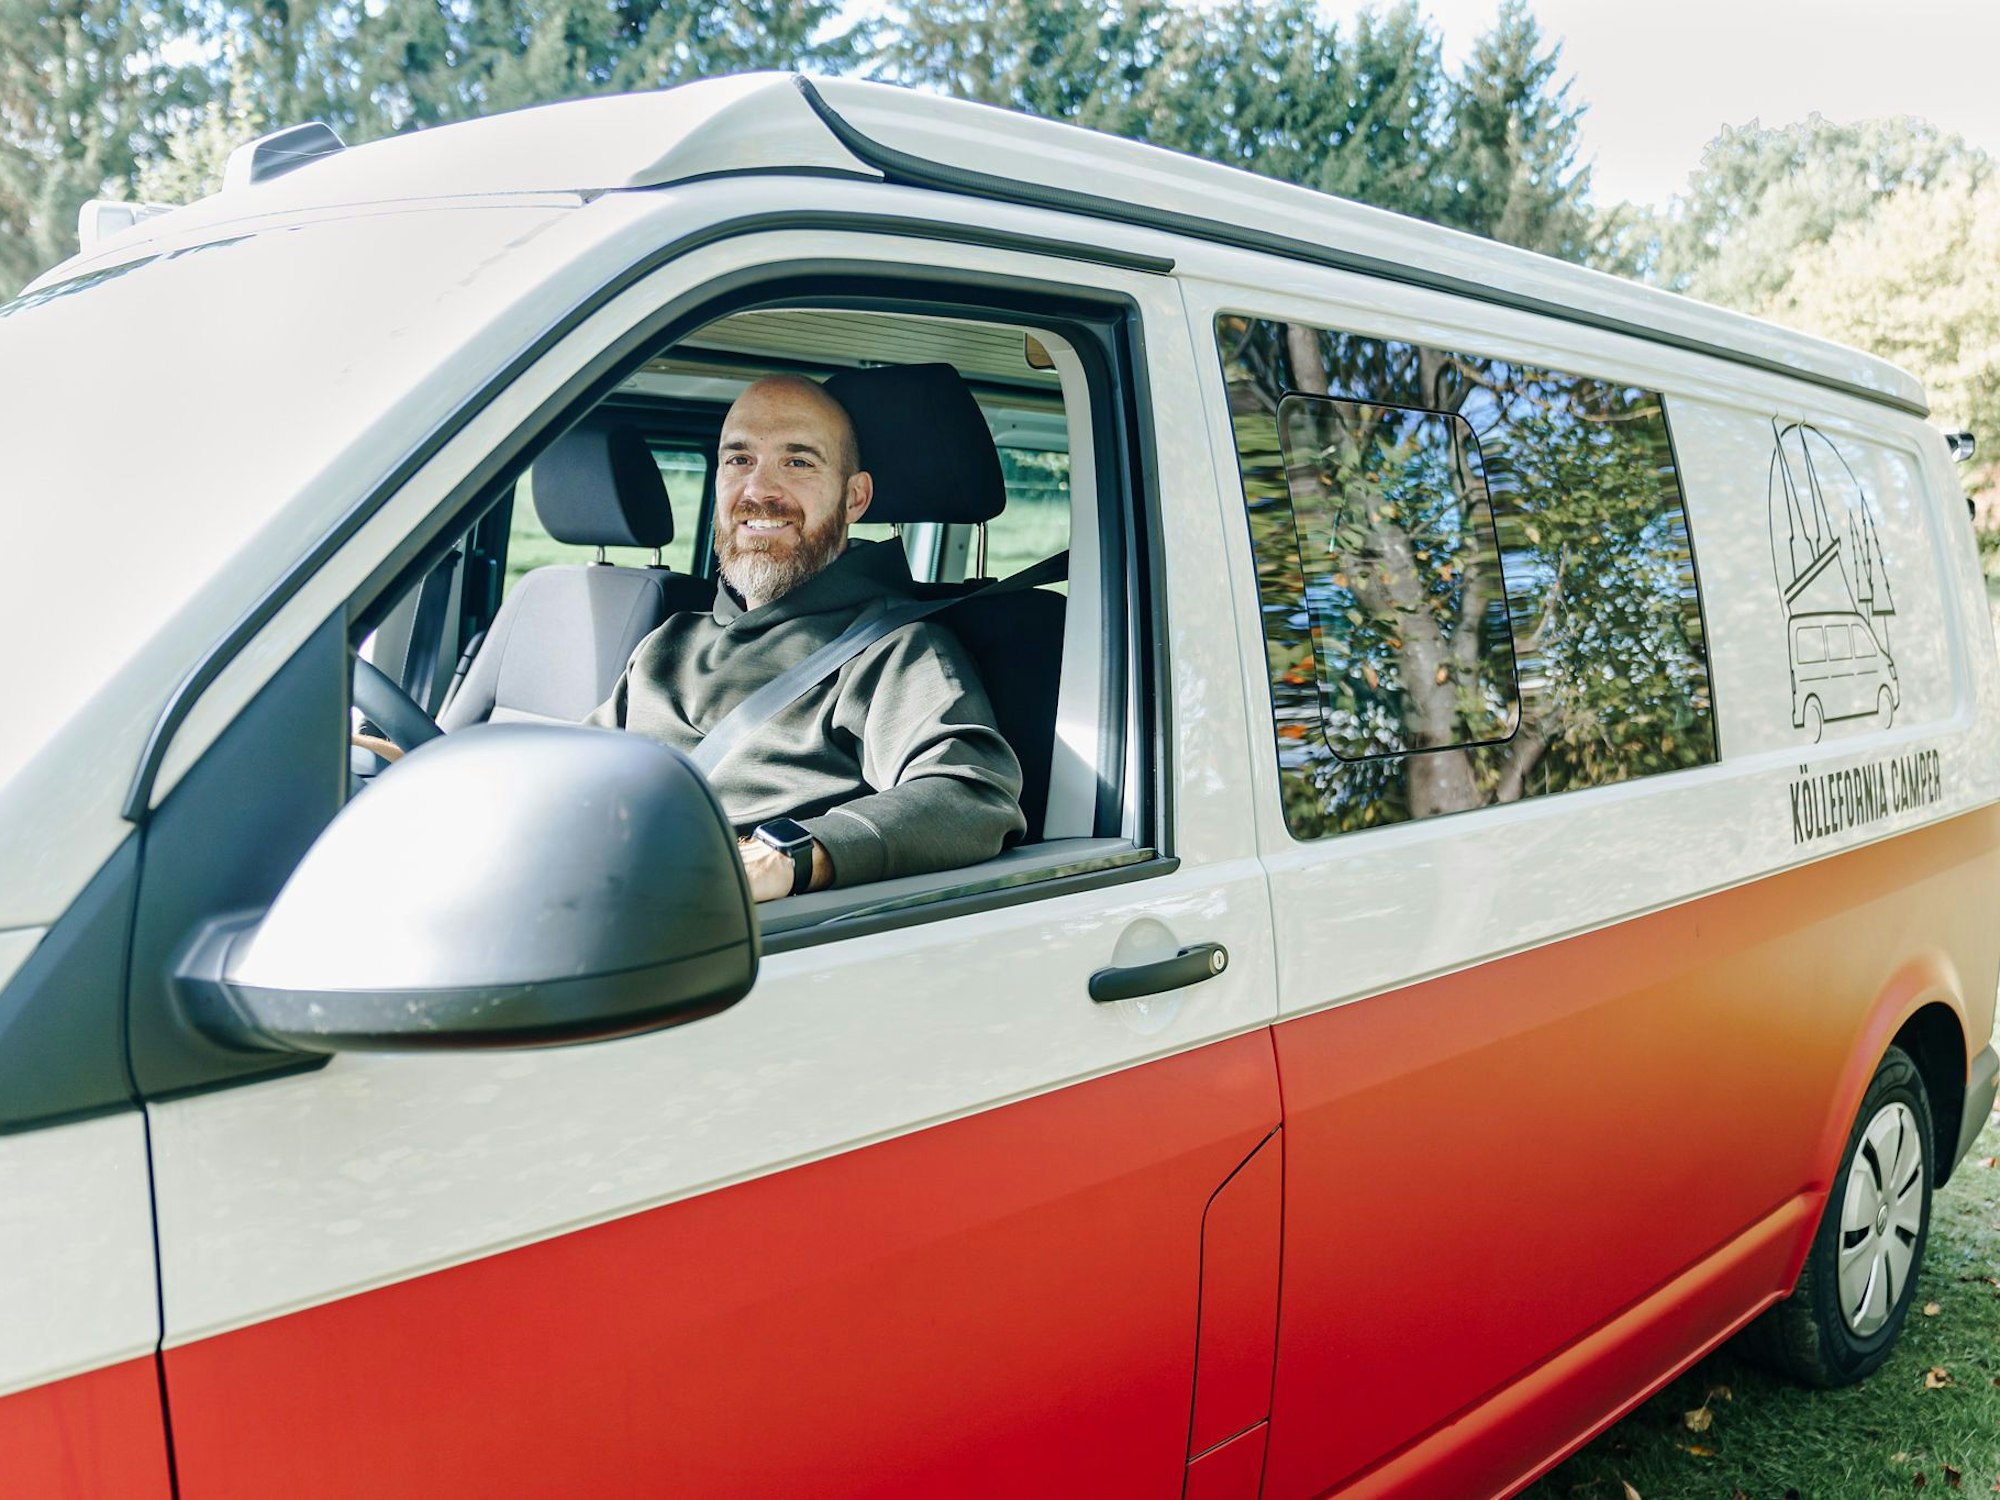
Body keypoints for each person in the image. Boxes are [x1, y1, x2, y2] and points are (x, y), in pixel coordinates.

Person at [588, 374, 1026, 902]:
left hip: (736, 923)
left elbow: (972, 797)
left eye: (797, 462)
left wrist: (788, 856)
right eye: (739, 459)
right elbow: (577, 775)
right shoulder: (668, 643)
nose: (758, 491)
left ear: (854, 497)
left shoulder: (895, 651)